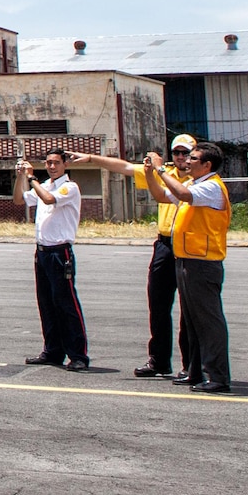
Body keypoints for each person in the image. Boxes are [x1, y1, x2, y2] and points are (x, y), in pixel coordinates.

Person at [73, 134, 194, 378]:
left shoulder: (195, 178)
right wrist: (91, 158)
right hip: (164, 245)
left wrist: (158, 170)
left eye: (186, 153)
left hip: (187, 246)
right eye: (177, 153)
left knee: (189, 309)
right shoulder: (165, 171)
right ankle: (159, 360)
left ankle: (190, 364)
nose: (181, 158)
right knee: (158, 305)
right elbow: (125, 166)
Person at [145, 141, 231, 393]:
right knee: (192, 322)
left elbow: (182, 195)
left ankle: (218, 376)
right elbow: (162, 196)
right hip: (187, 259)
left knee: (209, 321)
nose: (187, 161)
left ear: (207, 165)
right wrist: (152, 174)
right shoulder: (196, 184)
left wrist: (161, 171)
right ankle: (195, 372)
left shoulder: (212, 187)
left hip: (203, 263)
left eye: (193, 158)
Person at [14, 149, 88, 370]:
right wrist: (21, 176)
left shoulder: (69, 187)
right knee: (46, 303)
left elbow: (48, 200)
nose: (52, 167)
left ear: (65, 164)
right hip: (43, 250)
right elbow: (19, 199)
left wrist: (31, 178)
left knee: (66, 303)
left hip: (60, 251)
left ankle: (78, 355)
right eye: (48, 163)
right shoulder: (44, 184)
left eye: (56, 162)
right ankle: (53, 351)